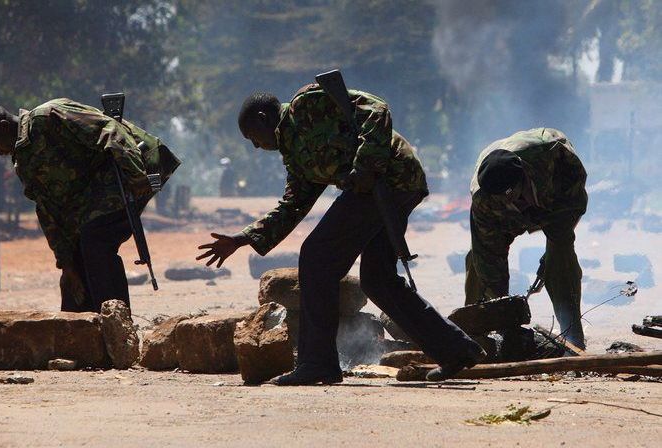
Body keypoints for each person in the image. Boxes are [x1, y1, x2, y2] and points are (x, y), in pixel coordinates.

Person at [197, 84, 484, 385]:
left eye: (252, 137)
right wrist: (242, 239)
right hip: (381, 189)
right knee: (378, 280)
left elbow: (378, 109)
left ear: (263, 118)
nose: (256, 146)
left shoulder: (306, 104)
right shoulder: (295, 157)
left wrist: (365, 166)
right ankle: (456, 350)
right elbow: (293, 206)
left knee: (317, 256)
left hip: (392, 179)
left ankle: (317, 362)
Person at [0, 98, 179, 312]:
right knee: (76, 271)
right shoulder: (23, 161)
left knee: (95, 240)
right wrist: (66, 264)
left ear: (4, 126)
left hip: (138, 166)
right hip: (97, 195)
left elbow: (109, 129)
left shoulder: (49, 116)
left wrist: (136, 174)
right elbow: (47, 211)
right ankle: (81, 335)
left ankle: (116, 326)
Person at [465, 128, 588, 349]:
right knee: (480, 264)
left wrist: (553, 251)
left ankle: (573, 336)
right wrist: (505, 316)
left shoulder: (556, 159)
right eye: (505, 200)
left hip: (553, 197)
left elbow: (574, 204)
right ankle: (474, 336)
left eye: (515, 197)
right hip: (498, 211)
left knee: (561, 260)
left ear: (525, 177)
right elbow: (488, 257)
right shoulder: (485, 200)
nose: (514, 204)